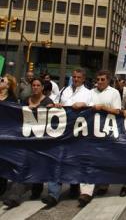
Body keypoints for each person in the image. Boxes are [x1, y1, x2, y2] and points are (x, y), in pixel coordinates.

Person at [42, 68, 92, 208]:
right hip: (62, 132)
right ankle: (53, 194)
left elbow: (93, 111)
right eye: (74, 77)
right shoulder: (64, 90)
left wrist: (85, 105)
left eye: (78, 77)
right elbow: (57, 103)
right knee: (57, 160)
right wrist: (56, 105)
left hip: (79, 133)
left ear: (83, 79)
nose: (75, 79)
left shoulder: (88, 94)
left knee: (78, 161)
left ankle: (77, 188)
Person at [3, 78, 54, 208]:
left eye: (38, 85)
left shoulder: (48, 102)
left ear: (42, 87)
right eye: (33, 85)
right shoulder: (26, 101)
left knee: (35, 167)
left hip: (41, 141)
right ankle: (15, 196)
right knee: (24, 167)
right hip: (26, 140)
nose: (35, 87)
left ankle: (32, 190)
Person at [78, 70, 122, 208]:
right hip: (91, 132)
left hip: (107, 132)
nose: (100, 82)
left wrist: (103, 107)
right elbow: (85, 106)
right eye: (98, 79)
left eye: (103, 79)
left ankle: (103, 183)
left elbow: (117, 111)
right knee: (89, 160)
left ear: (108, 80)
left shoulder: (114, 93)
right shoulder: (91, 92)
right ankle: (86, 192)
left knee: (104, 159)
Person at [0, 74, 18, 196]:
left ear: (8, 85)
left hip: (5, 136)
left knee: (2, 162)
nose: (0, 81)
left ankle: (1, 187)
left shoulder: (12, 100)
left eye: (2, 80)